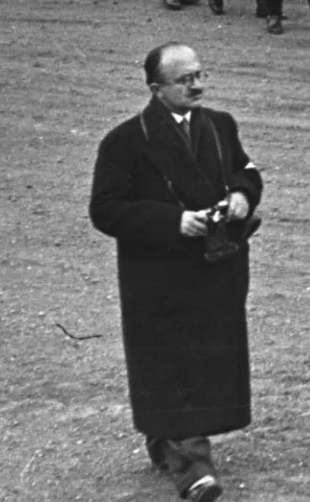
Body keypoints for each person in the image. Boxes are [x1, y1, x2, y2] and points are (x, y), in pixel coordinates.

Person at [89, 42, 262, 502]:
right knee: (171, 361)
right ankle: (192, 468)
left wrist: (243, 194)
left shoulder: (221, 126)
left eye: (200, 75)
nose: (198, 86)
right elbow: (105, 210)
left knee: (204, 362)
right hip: (159, 275)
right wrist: (172, 221)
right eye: (185, 80)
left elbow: (245, 169)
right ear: (156, 88)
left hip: (216, 264)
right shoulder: (125, 142)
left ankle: (165, 437)